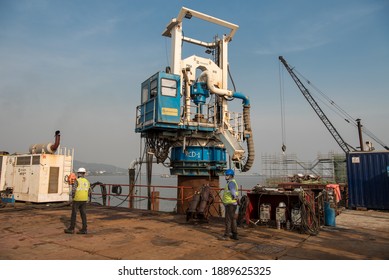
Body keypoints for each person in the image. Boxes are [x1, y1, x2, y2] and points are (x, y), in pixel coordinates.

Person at [64, 167, 91, 234]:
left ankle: (71, 229)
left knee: (74, 214)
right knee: (83, 214)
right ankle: (84, 229)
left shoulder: (77, 181)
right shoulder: (87, 181)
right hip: (84, 200)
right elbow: (89, 191)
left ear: (78, 173)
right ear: (84, 174)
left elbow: (74, 190)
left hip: (77, 199)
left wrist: (72, 197)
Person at [221, 168, 239, 240]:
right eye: (226, 175)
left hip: (230, 204)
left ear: (231, 176)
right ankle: (234, 235)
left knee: (228, 220)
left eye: (227, 175)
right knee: (233, 219)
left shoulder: (231, 183)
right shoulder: (231, 182)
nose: (226, 176)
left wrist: (235, 197)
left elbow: (233, 191)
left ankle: (226, 235)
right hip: (232, 204)